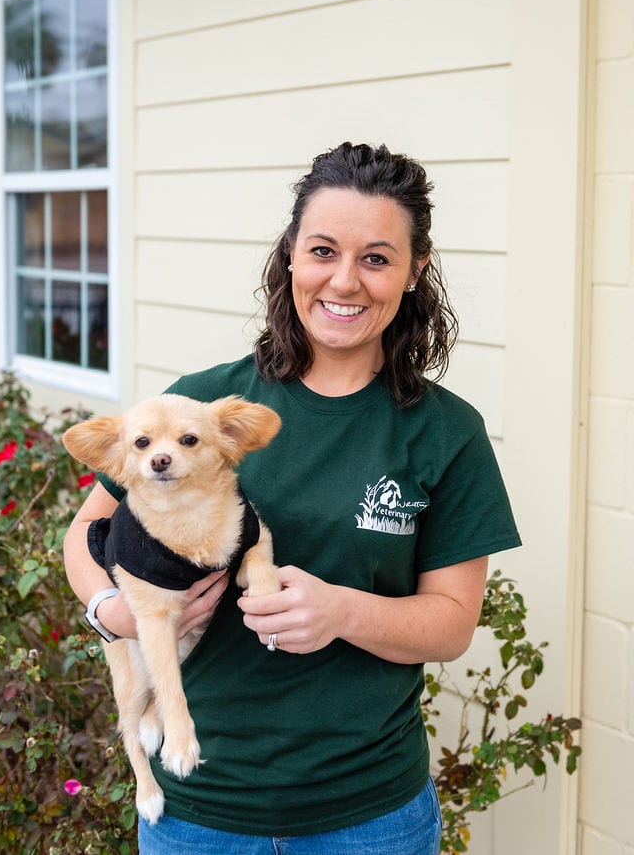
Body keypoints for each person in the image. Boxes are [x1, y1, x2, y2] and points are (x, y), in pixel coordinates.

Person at [64, 141, 521, 855]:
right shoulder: (203, 413)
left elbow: (452, 624)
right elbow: (86, 535)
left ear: (413, 273)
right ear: (290, 257)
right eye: (322, 251)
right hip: (197, 810)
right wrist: (113, 611)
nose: (344, 281)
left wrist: (343, 611)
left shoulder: (445, 432)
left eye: (376, 257)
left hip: (369, 816)